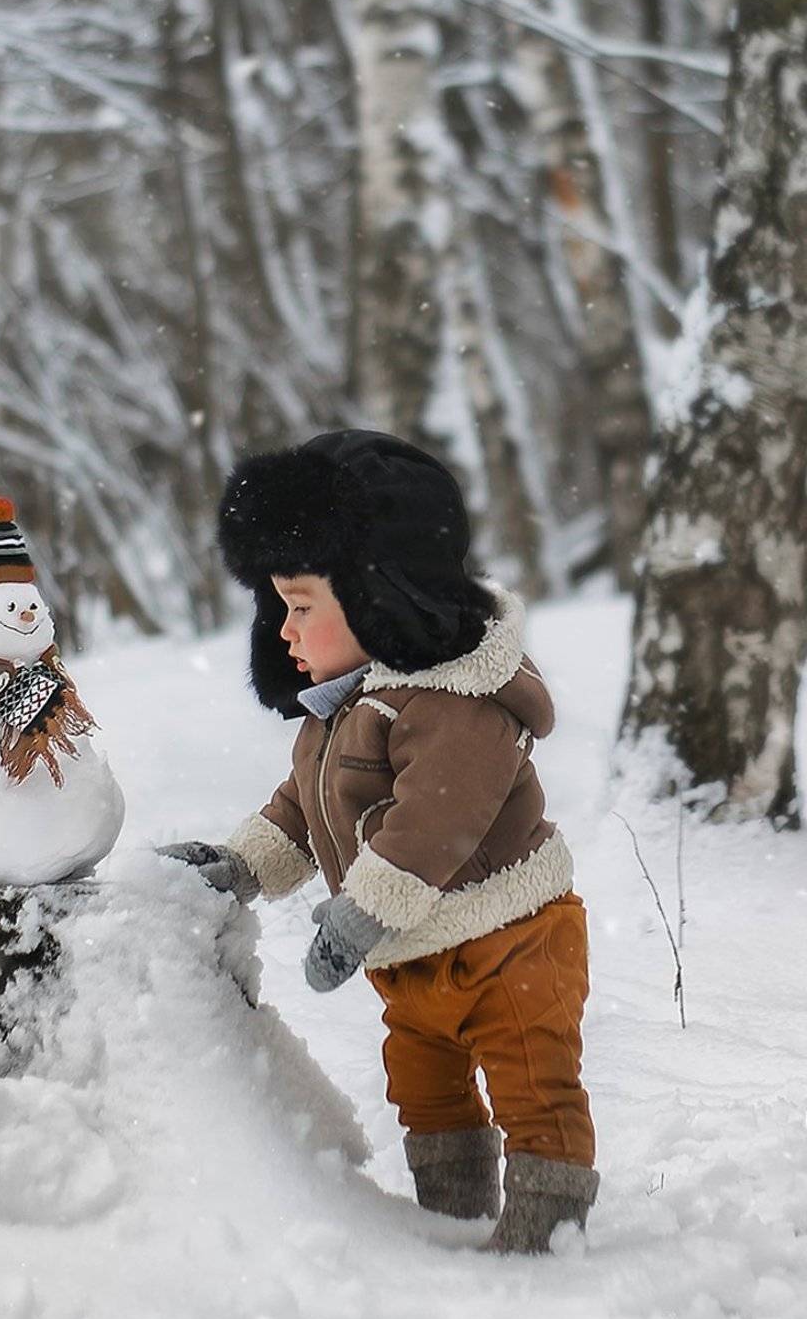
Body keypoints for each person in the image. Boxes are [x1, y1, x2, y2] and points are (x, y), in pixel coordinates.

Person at [160, 429, 598, 1255]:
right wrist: (242, 864)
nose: (284, 632)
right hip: (415, 960)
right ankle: (449, 1217)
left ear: (375, 591)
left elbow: (437, 820)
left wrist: (362, 913)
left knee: (533, 1086)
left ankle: (548, 1236)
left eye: (299, 606)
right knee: (425, 1091)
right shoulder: (343, 707)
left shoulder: (454, 703)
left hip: (512, 943)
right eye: (277, 608)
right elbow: (305, 807)